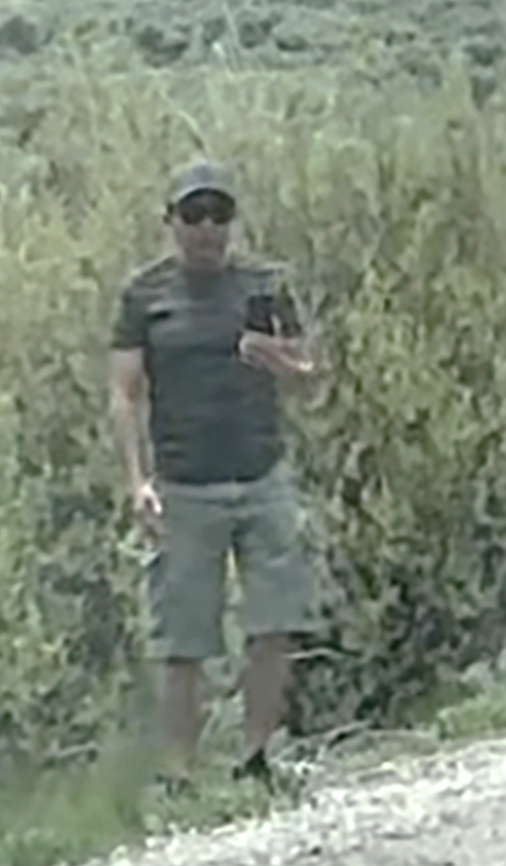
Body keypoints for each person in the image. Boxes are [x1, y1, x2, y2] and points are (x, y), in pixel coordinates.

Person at [108, 158, 323, 791]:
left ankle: (255, 759)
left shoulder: (265, 284)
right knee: (184, 636)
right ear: (170, 221)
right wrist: (136, 479)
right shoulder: (145, 295)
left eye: (219, 214)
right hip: (185, 484)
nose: (207, 228)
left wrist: (278, 360)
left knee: (275, 623)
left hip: (261, 475)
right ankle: (179, 774)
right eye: (194, 215)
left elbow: (314, 378)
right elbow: (125, 393)